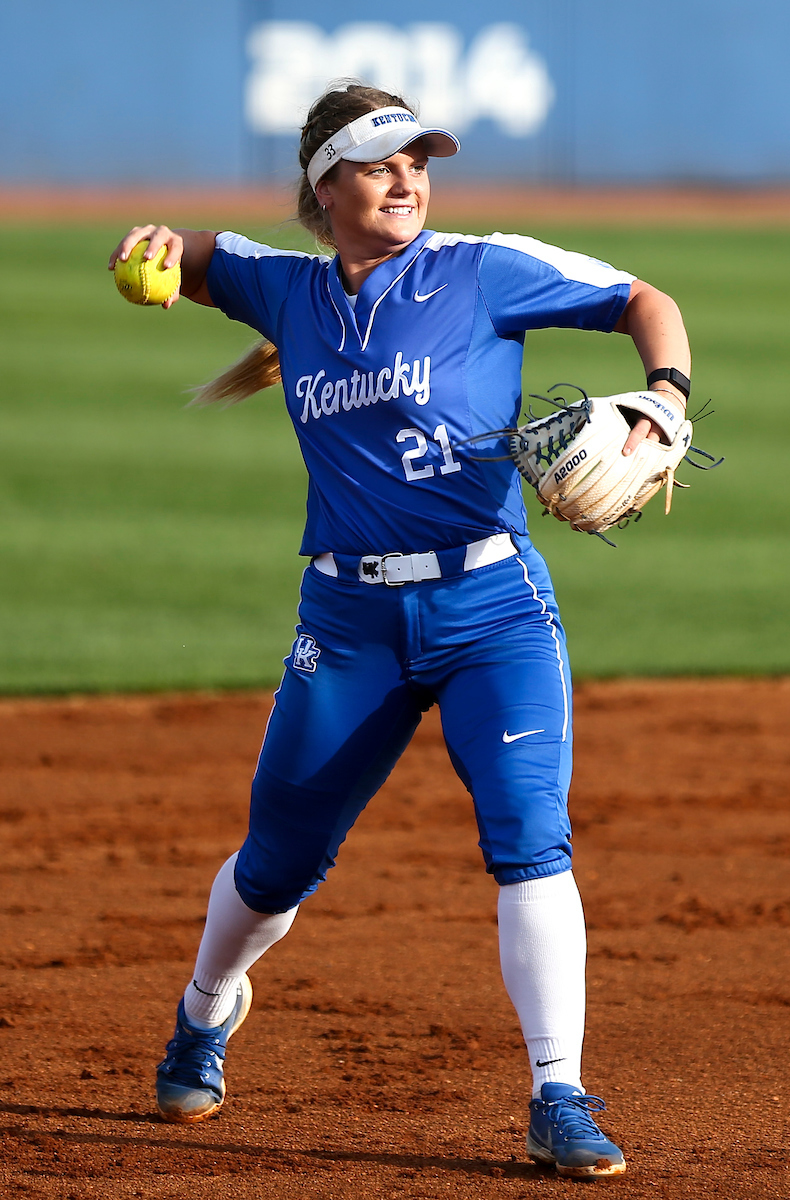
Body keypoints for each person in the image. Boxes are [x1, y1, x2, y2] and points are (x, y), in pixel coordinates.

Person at [108, 81, 691, 1180]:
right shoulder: (282, 288)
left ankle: (556, 1093)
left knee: (530, 841)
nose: (406, 179)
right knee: (278, 862)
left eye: (418, 160)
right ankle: (202, 1011)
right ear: (323, 187)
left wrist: (662, 398)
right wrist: (144, 249)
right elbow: (186, 250)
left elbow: (640, 299)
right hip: (349, 619)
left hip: (493, 607)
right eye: (379, 164)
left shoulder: (484, 268)